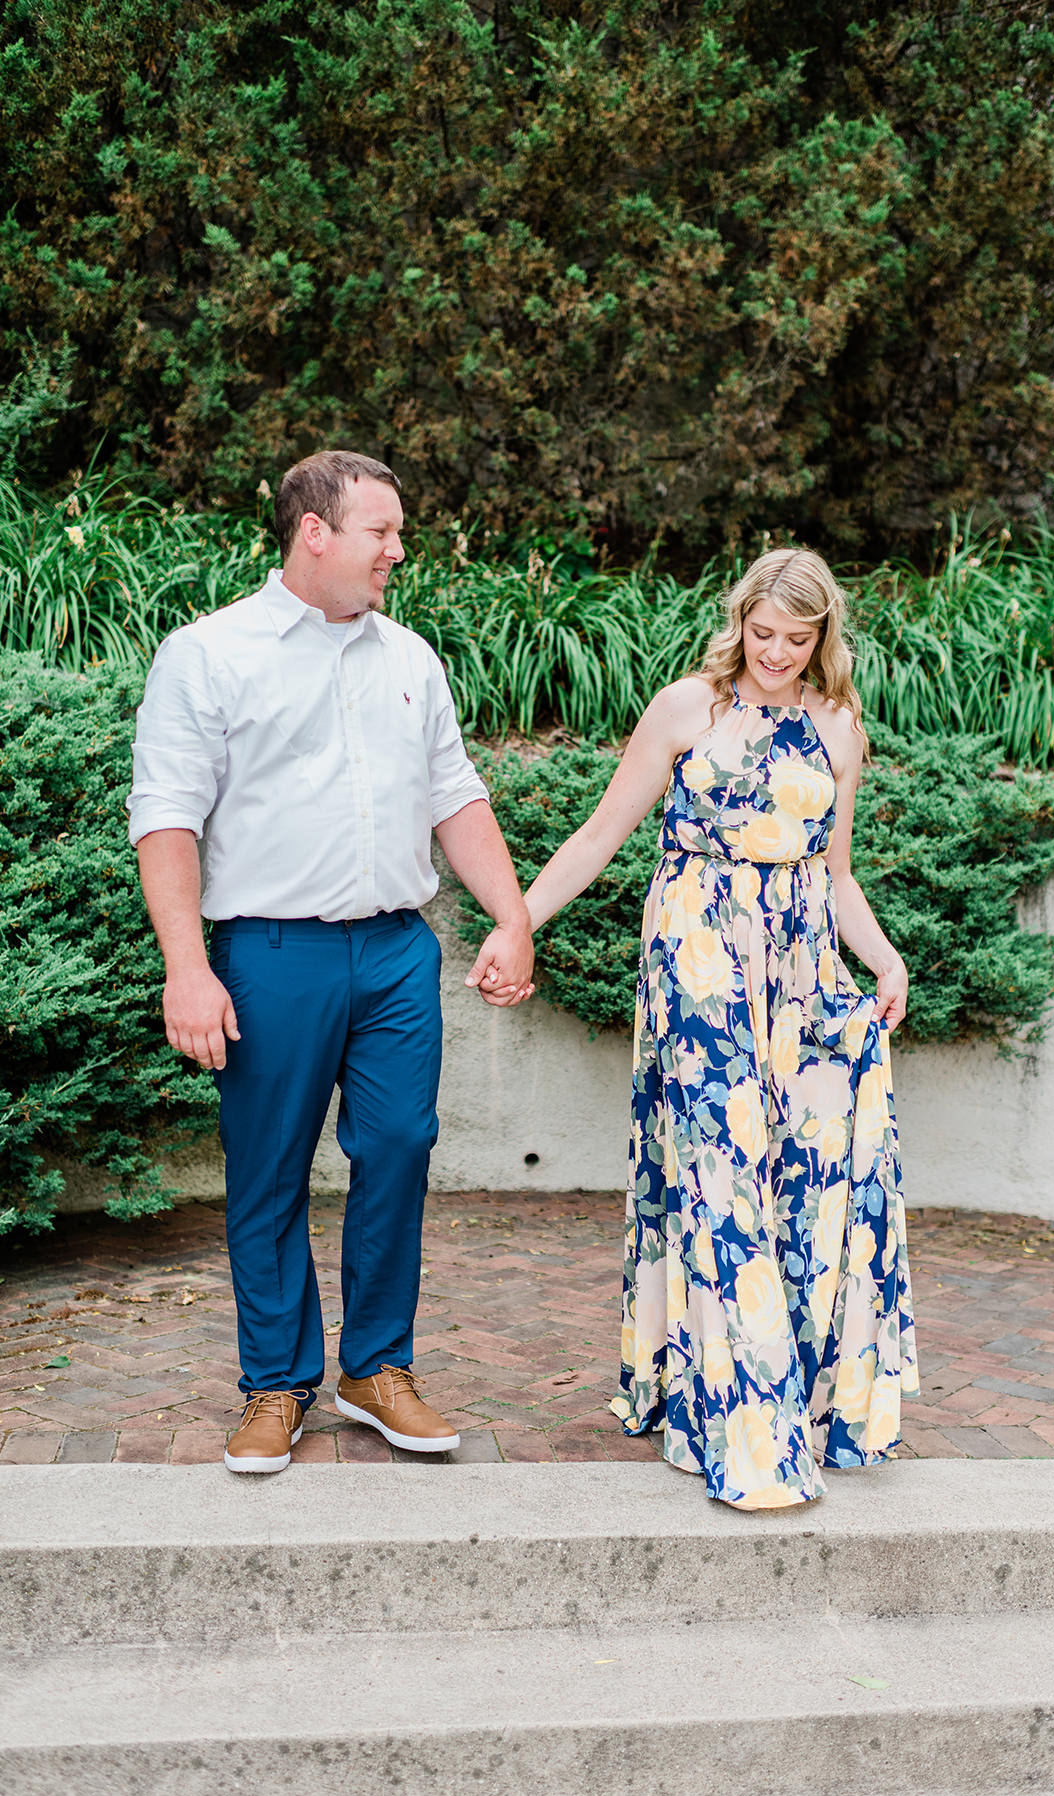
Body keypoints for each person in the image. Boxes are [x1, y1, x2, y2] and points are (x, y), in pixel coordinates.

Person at [128, 450, 534, 1475]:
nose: (398, 549)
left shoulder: (412, 660)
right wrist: (189, 967)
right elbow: (167, 818)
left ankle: (378, 1368)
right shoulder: (209, 654)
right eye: (381, 532)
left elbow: (457, 797)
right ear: (316, 531)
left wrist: (512, 916)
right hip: (269, 954)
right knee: (268, 1172)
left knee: (398, 1145)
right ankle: (275, 1383)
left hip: (396, 950)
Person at [521, 548, 919, 1509]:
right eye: (761, 633)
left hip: (804, 978)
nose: (776, 653)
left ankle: (802, 1401)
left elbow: (836, 874)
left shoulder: (837, 726)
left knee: (807, 1178)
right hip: (698, 971)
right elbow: (599, 834)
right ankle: (745, 1427)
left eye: (797, 637)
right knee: (718, 1177)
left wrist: (885, 959)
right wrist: (518, 922)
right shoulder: (684, 710)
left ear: (824, 636)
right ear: (737, 619)